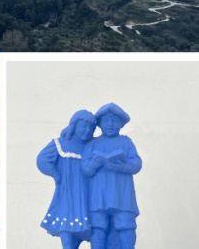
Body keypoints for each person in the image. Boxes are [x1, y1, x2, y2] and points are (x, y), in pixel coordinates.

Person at [81, 103, 141, 249]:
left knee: (126, 226)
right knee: (98, 228)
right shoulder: (92, 143)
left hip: (122, 196)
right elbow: (85, 169)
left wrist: (123, 167)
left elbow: (137, 163)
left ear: (121, 124)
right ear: (100, 123)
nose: (110, 124)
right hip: (98, 197)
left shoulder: (126, 143)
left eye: (114, 121)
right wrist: (93, 165)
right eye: (106, 120)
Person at [38, 110, 96, 248]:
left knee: (92, 225)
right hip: (67, 191)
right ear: (74, 125)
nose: (87, 130)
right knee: (67, 223)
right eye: (84, 126)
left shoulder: (92, 146)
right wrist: (56, 174)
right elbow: (42, 159)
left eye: (91, 128)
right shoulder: (61, 144)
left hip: (88, 192)